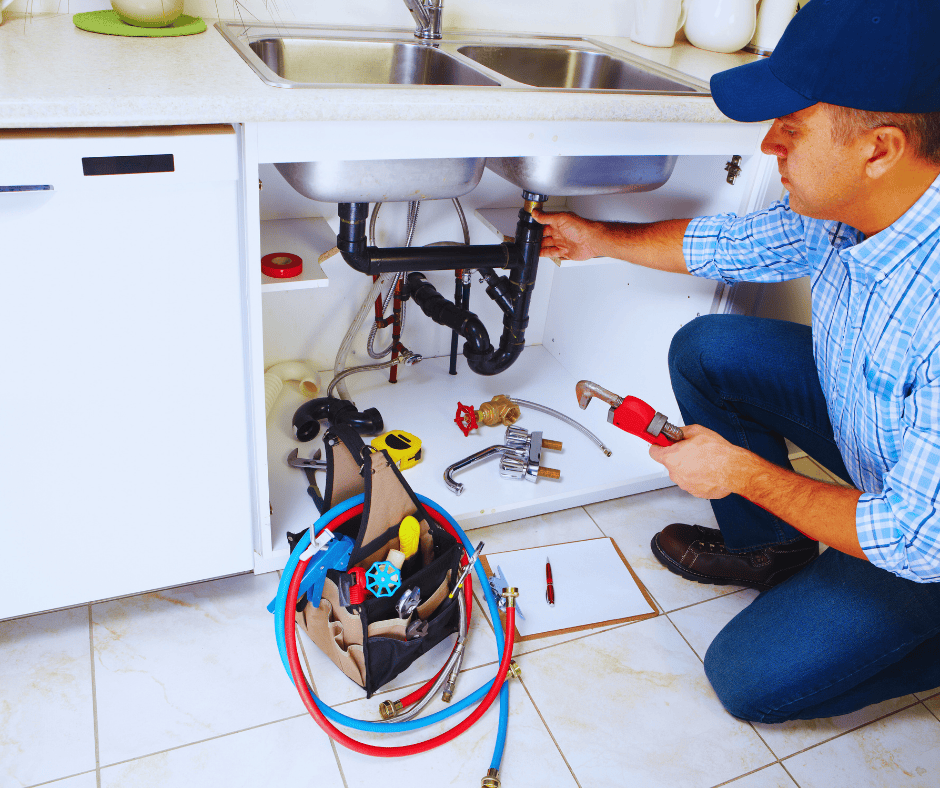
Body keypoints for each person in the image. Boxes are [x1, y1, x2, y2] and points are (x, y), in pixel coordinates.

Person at [533, 0, 940, 723]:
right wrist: (595, 237)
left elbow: (914, 537)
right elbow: (733, 244)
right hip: (889, 456)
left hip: (927, 539)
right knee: (710, 351)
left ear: (879, 149)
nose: (768, 144)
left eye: (793, 128)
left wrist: (742, 473)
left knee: (747, 679)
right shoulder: (853, 205)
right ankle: (774, 549)